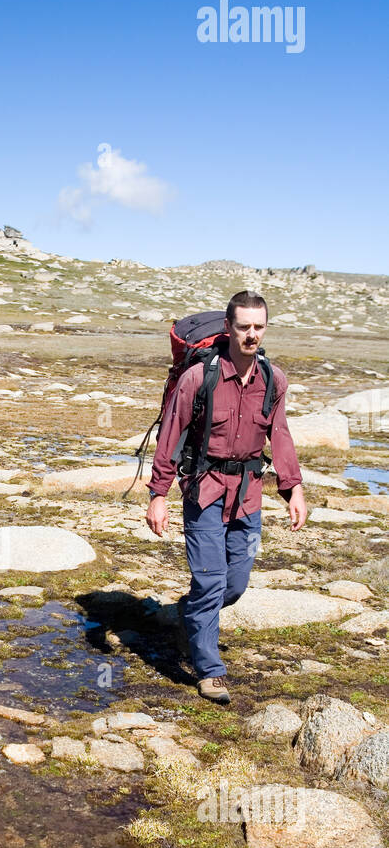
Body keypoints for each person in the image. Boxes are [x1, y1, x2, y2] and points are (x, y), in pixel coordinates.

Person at [145, 291, 308, 704]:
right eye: (243, 326)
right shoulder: (199, 378)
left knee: (234, 584)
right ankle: (210, 670)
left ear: (265, 328)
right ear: (228, 328)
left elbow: (281, 434)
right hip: (204, 492)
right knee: (211, 579)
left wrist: (293, 488)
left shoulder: (274, 379)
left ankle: (191, 613)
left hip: (249, 496)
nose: (251, 335)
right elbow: (169, 437)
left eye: (258, 326)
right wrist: (158, 495)